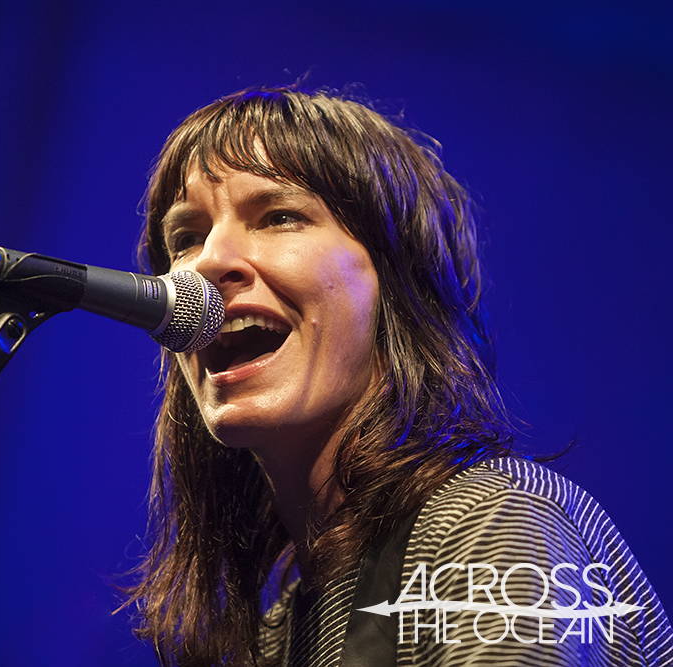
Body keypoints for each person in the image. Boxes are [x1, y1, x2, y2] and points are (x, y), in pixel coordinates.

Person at [121, 87, 672, 667]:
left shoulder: (485, 524)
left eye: (279, 216)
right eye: (185, 239)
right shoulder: (281, 631)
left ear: (398, 286)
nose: (207, 262)